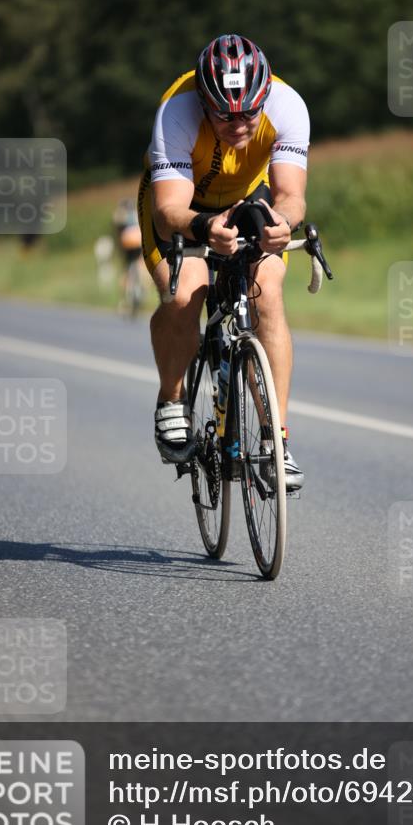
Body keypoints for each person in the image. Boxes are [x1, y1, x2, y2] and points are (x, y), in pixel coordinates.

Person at [138, 34, 309, 491]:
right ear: (204, 103)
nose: (238, 124)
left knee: (267, 290)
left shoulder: (288, 106)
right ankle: (172, 399)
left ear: (264, 97)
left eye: (249, 114)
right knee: (185, 291)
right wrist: (203, 227)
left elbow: (291, 196)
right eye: (224, 115)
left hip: (247, 198)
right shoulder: (177, 111)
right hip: (184, 205)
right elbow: (168, 212)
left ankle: (276, 441)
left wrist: (283, 223)